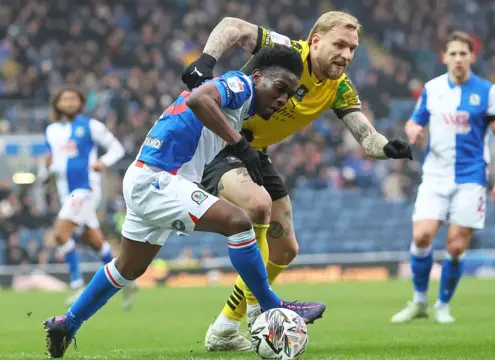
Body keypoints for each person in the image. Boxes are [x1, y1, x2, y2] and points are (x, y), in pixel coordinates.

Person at [43, 46, 326, 359]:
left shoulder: (241, 103)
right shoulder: (240, 85)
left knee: (128, 268)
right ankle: (271, 305)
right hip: (159, 179)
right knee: (239, 222)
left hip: (145, 178)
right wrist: (240, 144)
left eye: (289, 96)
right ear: (257, 76)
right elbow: (198, 98)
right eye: (280, 89)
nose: (283, 99)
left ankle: (67, 323)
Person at [180, 11, 414, 351]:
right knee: (256, 205)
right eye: (340, 45)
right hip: (219, 139)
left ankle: (224, 329)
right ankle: (264, 305)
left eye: (353, 49)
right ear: (315, 41)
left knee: (286, 249)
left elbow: (367, 137)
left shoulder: (340, 87)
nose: (347, 55)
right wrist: (206, 60)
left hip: (255, 152)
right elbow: (232, 25)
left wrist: (389, 148)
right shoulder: (289, 51)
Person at [390, 31, 495, 324]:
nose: (458, 59)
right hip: (435, 175)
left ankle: (443, 304)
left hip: (471, 176)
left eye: (463, 53)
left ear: (472, 57)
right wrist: (412, 131)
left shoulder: (487, 91)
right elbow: (413, 122)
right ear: (444, 57)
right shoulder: (432, 89)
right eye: (453, 53)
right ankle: (419, 300)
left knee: (456, 246)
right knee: (421, 236)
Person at [44, 87, 136, 309]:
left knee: (60, 234)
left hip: (86, 189)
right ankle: (125, 280)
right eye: (64, 98)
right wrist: (46, 170)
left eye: (73, 98)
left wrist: (102, 162)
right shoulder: (51, 131)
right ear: (57, 103)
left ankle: (76, 284)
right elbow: (53, 161)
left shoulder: (91, 126)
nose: (68, 102)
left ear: (81, 102)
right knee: (93, 240)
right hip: (67, 191)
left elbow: (117, 148)